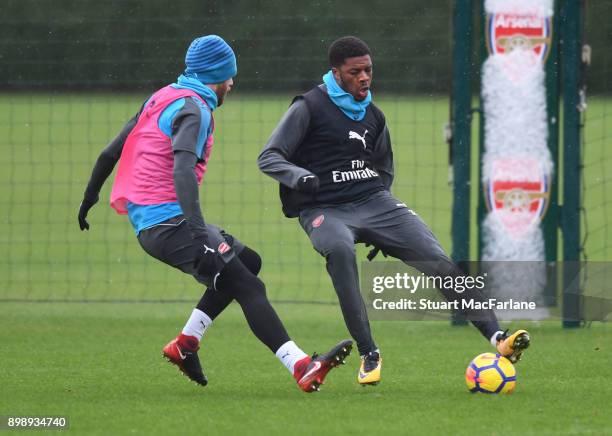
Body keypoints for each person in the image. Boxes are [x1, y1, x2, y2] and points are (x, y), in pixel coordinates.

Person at [77, 35, 352, 393]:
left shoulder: (164, 96)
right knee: (249, 286)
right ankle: (301, 365)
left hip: (156, 221)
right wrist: (197, 235)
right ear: (216, 76)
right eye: (229, 77)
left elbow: (109, 151)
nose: (232, 83)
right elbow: (181, 172)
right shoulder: (194, 108)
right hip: (169, 224)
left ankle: (186, 343)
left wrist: (90, 196)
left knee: (247, 262)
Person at [258, 36, 530, 386]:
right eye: (354, 72)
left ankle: (498, 339)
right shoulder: (309, 107)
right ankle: (368, 352)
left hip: (375, 203)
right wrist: (300, 177)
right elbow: (269, 156)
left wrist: (381, 221)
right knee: (340, 250)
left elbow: (384, 167)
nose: (364, 78)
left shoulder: (373, 115)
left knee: (436, 257)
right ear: (336, 74)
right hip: (323, 208)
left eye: (368, 70)